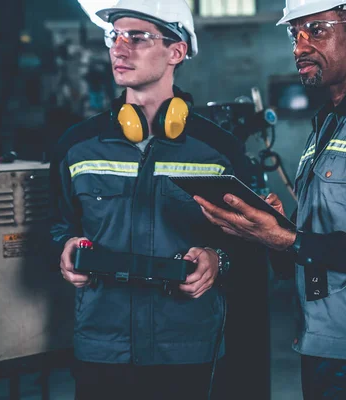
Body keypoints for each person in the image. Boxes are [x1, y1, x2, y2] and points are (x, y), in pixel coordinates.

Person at [194, 0, 346, 399]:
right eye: (295, 33)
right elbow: (322, 237)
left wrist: (289, 240)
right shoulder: (329, 121)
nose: (299, 46)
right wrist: (271, 230)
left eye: (316, 30)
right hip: (322, 342)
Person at [48, 0, 253, 398]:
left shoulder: (219, 151)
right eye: (114, 36)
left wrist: (218, 259)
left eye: (137, 37)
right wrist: (64, 247)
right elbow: (58, 226)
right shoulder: (76, 146)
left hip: (187, 349)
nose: (119, 49)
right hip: (101, 349)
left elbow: (252, 245)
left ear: (177, 52)